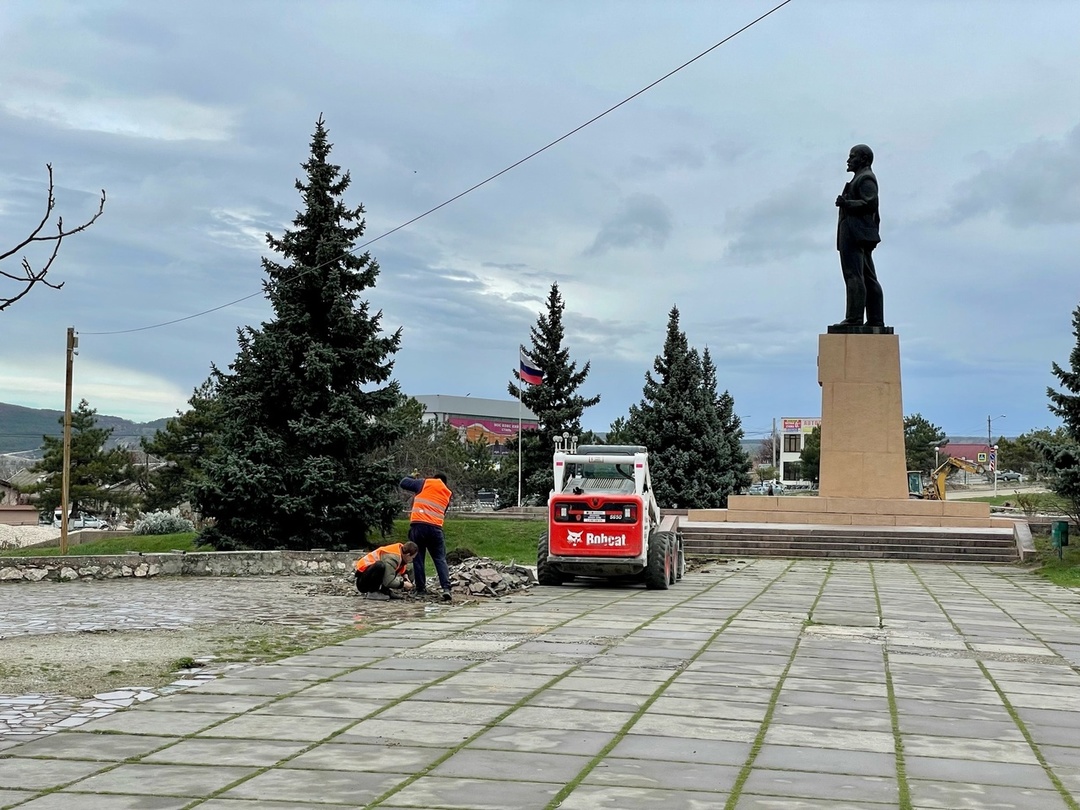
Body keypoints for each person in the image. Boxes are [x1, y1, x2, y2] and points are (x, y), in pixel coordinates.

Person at [834, 144, 883, 328]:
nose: (849, 160)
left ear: (863, 159)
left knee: (854, 274)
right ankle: (875, 319)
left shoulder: (865, 179)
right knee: (867, 275)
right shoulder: (861, 178)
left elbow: (870, 204)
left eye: (852, 156)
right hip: (856, 231)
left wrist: (846, 203)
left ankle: (854, 318)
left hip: (855, 232)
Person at [400, 472, 454, 601]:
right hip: (436, 529)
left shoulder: (425, 483)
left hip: (419, 526)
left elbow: (403, 483)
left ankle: (420, 589)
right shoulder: (447, 493)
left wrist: (412, 476)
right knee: (440, 559)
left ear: (434, 479)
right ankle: (446, 589)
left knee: (418, 558)